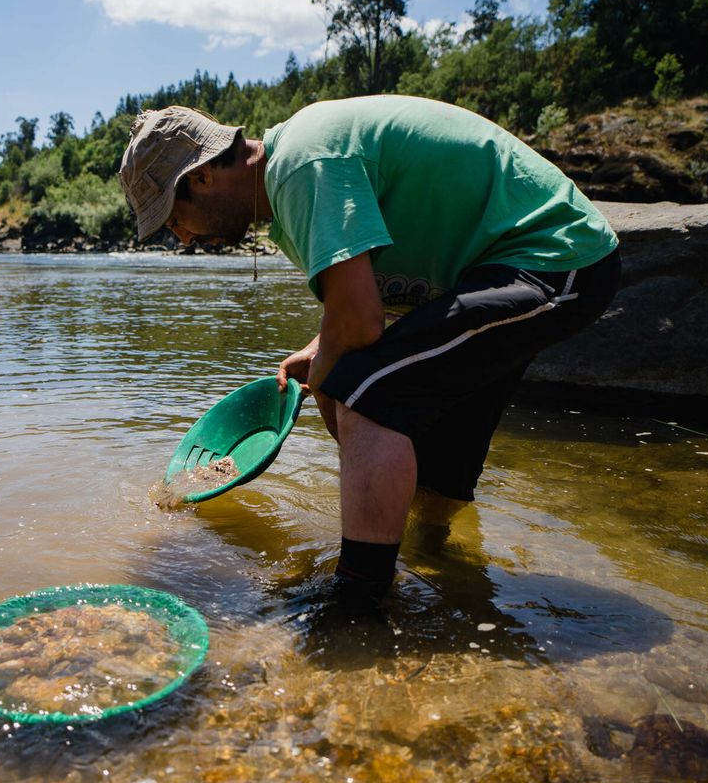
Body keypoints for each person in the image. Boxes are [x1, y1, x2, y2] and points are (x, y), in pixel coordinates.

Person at [120, 95, 620, 596]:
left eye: (172, 218)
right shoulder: (294, 174)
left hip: (551, 255)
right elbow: (365, 297)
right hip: (496, 270)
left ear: (202, 176)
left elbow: (360, 325)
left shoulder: (302, 166)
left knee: (364, 394)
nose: (182, 238)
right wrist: (321, 345)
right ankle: (440, 566)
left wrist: (328, 382)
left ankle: (359, 600)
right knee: (437, 454)